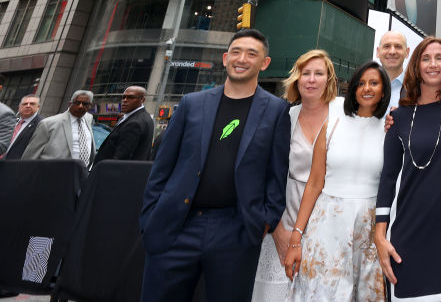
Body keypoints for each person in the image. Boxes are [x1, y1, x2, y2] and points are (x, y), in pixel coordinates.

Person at [139, 28, 290, 302]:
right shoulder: (191, 104)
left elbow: (276, 175)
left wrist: (264, 221)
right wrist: (151, 215)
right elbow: (162, 165)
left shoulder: (277, 110)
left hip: (236, 231)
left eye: (251, 54)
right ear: (225, 58)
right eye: (236, 52)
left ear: (264, 63)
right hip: (176, 226)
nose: (241, 59)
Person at [375, 37, 441, 302]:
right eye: (426, 59)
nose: (433, 64)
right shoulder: (399, 117)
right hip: (407, 236)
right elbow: (388, 178)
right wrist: (380, 236)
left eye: (439, 58)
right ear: (416, 65)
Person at [286, 61, 390, 300]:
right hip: (326, 225)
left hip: (369, 229)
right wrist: (296, 236)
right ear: (353, 89)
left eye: (374, 83)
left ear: (383, 91)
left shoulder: (390, 130)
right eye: (360, 83)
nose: (366, 88)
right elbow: (314, 183)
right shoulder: (332, 124)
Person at [252, 49, 339, 301]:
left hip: (330, 219)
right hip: (286, 215)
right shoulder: (283, 116)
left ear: (329, 79)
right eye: (305, 73)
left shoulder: (344, 114)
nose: (311, 79)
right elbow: (264, 173)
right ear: (296, 79)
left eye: (318, 73)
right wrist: (277, 229)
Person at [23, 90, 95, 165]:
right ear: (70, 104)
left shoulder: (88, 118)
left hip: (83, 170)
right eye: (77, 103)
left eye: (85, 104)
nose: (80, 106)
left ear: (90, 105)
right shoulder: (48, 124)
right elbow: (31, 154)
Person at [94, 86, 155, 163]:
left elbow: (121, 157)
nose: (125, 100)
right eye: (124, 97)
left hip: (114, 169)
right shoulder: (143, 116)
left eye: (131, 97)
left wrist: (109, 169)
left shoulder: (135, 123)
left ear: (142, 100)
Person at [377, 31, 409, 109]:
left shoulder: (417, 90)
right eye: (387, 46)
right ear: (378, 52)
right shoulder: (363, 87)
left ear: (407, 52)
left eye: (398, 46)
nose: (392, 52)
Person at [3, 94, 40, 160]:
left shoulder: (41, 124)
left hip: (16, 164)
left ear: (38, 107)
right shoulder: (11, 120)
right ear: (19, 107)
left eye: (32, 104)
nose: (28, 106)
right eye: (25, 104)